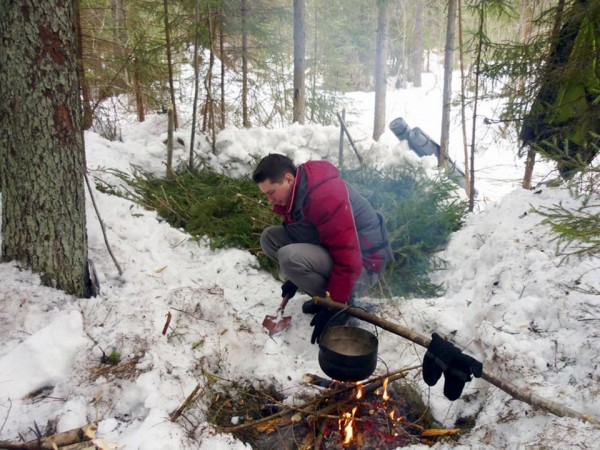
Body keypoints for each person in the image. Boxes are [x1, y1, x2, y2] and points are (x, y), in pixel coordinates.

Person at [252, 153, 394, 343]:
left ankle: (341, 304)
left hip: (364, 265)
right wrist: (295, 279)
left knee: (289, 257)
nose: (270, 200)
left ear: (288, 179)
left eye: (271, 192)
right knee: (270, 238)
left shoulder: (324, 196)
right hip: (340, 256)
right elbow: (310, 237)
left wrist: (333, 307)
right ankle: (325, 295)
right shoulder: (298, 194)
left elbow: (348, 257)